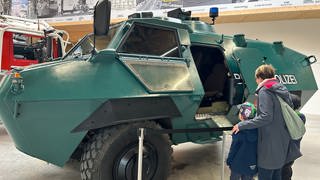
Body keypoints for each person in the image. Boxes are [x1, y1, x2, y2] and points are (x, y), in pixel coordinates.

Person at [232, 64, 301, 180]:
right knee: (277, 174)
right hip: (282, 140)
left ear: (259, 77)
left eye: (256, 78)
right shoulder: (282, 89)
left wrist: (242, 125)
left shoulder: (265, 91)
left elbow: (266, 117)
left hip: (269, 143)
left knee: (265, 174)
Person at [227, 102, 258, 180]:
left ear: (241, 116)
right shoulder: (258, 130)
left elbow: (234, 148)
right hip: (251, 164)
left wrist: (229, 160)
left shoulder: (238, 131)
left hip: (237, 164)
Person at [281, 94, 306, 180]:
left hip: (287, 152)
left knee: (284, 172)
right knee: (287, 170)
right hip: (292, 152)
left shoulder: (297, 117)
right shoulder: (301, 116)